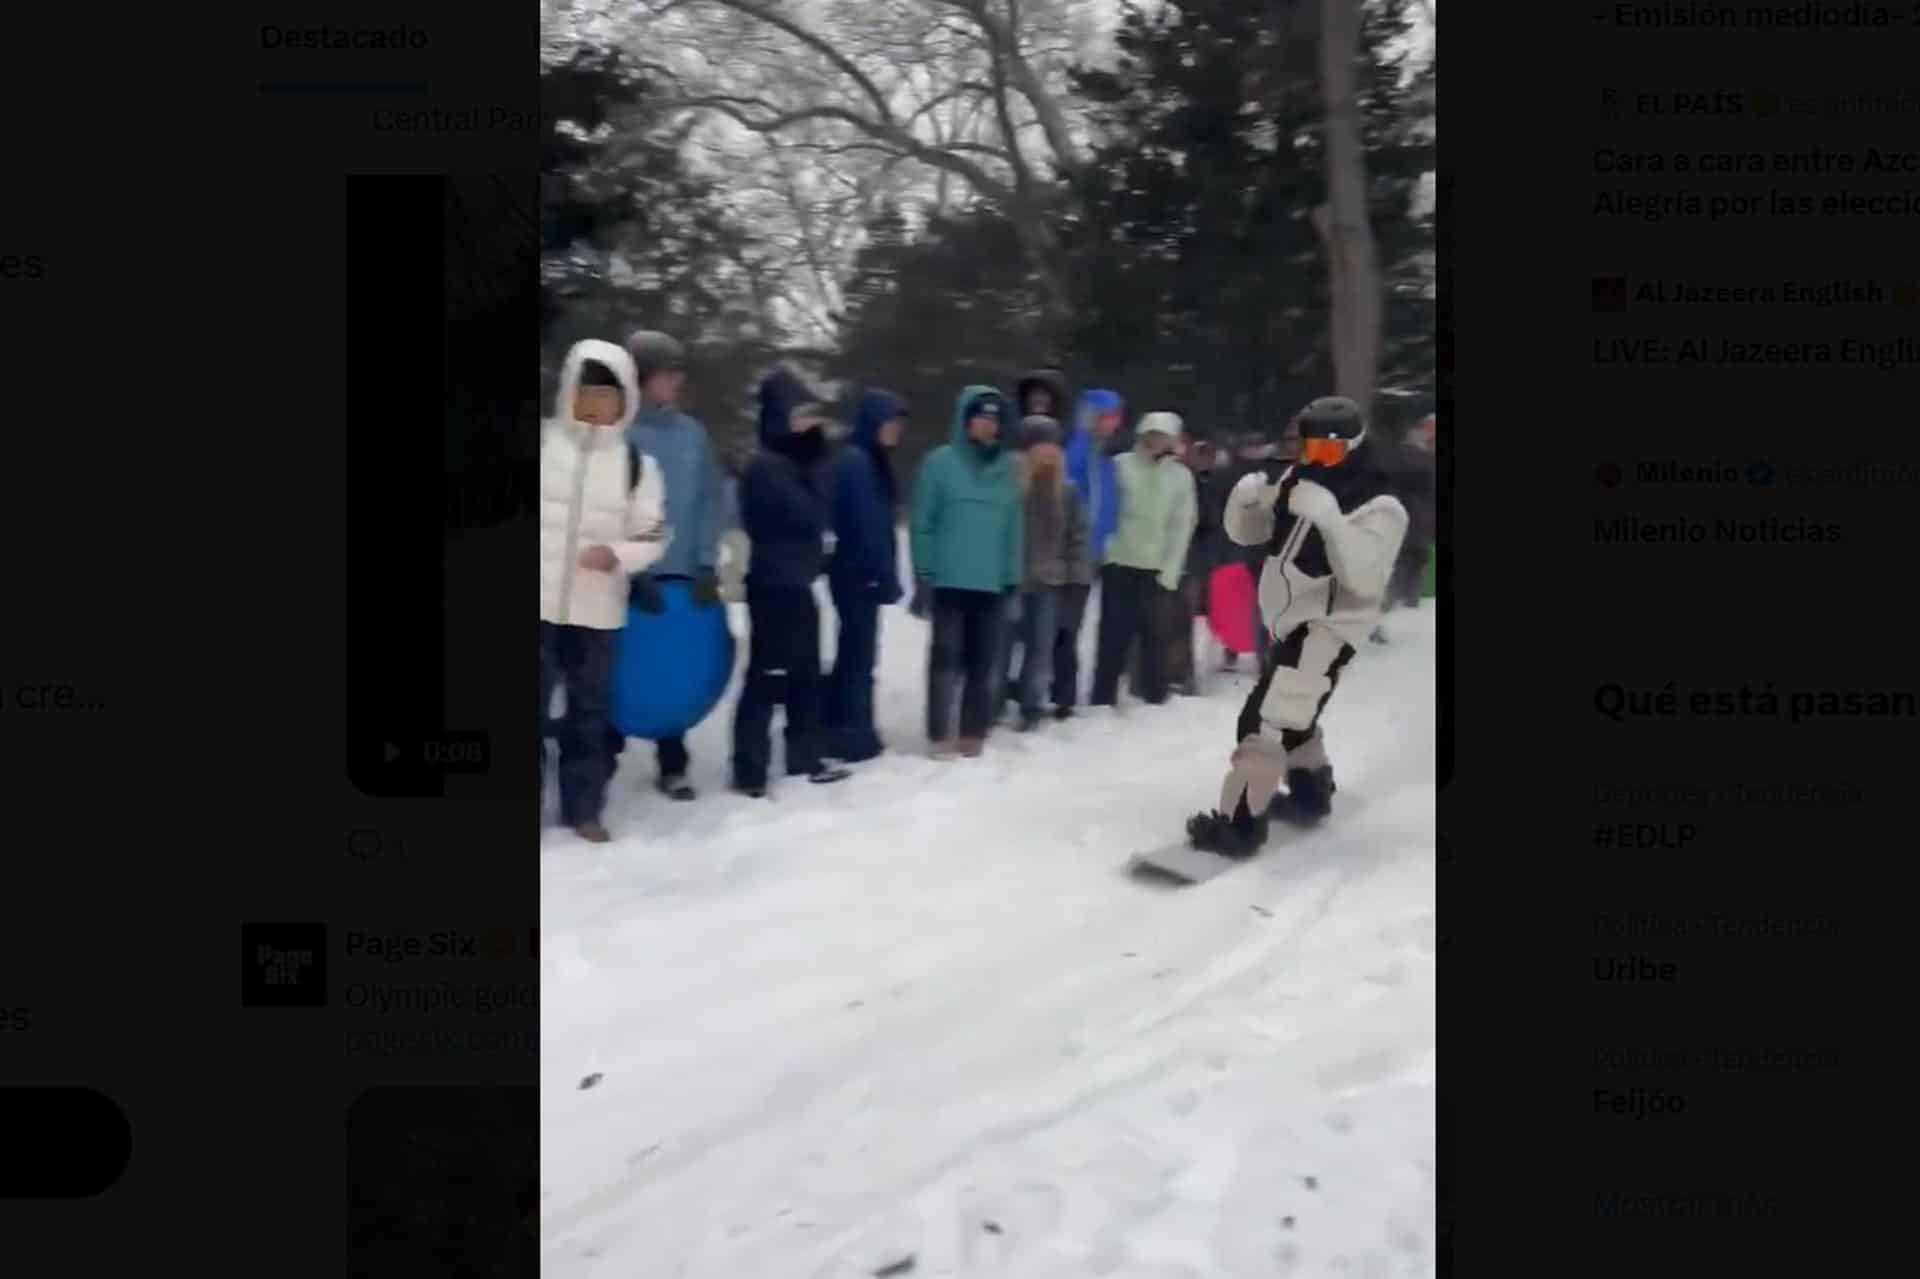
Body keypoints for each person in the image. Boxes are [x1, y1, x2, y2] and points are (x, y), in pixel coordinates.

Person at [1186, 396, 1409, 857]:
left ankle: (1241, 824)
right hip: (1290, 617)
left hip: (1331, 624)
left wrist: (1330, 519)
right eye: (1310, 449)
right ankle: (1311, 792)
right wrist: (1246, 505)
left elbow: (1365, 580)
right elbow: (1253, 533)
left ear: (1353, 446)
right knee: (1295, 711)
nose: (1317, 461)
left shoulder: (1382, 504)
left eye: (1328, 452)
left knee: (1266, 720)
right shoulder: (1300, 476)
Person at [540, 340, 671, 842]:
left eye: (608, 396)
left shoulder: (636, 465)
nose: (597, 404)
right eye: (588, 392)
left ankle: (584, 808)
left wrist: (617, 554)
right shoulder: (545, 445)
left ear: (626, 401)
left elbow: (654, 534)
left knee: (589, 713)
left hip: (597, 608)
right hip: (540, 603)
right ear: (570, 391)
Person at [614, 329, 727, 801]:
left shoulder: (691, 435)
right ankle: (597, 757)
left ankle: (673, 764)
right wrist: (633, 571)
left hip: (682, 574)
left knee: (672, 664)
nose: (677, 382)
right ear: (639, 379)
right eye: (668, 374)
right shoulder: (615, 434)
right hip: (623, 578)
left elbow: (709, 500)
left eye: (679, 374)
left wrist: (704, 563)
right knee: (619, 668)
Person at [731, 369, 853, 797]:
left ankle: (805, 757)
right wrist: (817, 465)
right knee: (767, 677)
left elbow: (820, 512)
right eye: (799, 417)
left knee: (805, 674)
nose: (809, 425)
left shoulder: (800, 463)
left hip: (797, 583)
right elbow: (807, 513)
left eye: (811, 416)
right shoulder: (767, 467)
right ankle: (750, 772)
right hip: (772, 586)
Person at [908, 386, 1022, 758]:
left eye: (994, 419)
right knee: (946, 658)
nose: (988, 425)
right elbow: (923, 523)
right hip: (949, 580)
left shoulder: (1007, 469)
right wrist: (924, 573)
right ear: (964, 419)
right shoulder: (939, 463)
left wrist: (1011, 580)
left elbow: (1013, 529)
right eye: (981, 417)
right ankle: (940, 732)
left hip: (990, 583)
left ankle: (972, 731)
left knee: (983, 661)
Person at [1090, 412, 1197, 709]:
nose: (1155, 441)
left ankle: (1154, 698)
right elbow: (1106, 511)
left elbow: (1181, 524)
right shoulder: (1120, 465)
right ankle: (1102, 699)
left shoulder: (1180, 477)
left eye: (1162, 436)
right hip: (1120, 563)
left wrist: (1170, 572)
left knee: (1156, 636)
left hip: (1157, 568)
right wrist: (1106, 553)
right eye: (1151, 435)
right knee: (1113, 635)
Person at [825, 388, 909, 762]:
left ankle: (843, 725)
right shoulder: (857, 463)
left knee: (854, 651)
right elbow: (866, 526)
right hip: (857, 573)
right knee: (859, 655)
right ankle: (855, 735)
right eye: (891, 422)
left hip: (856, 572)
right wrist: (881, 575)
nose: (897, 431)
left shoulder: (867, 461)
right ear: (874, 422)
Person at [1002, 414, 1091, 730]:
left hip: (1050, 581)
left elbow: (1078, 537)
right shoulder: (1008, 483)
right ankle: (992, 704)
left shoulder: (1067, 491)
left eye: (1053, 445)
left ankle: (1031, 707)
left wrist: (1076, 577)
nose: (1048, 452)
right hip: (1011, 580)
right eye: (1041, 444)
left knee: (1040, 651)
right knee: (1002, 647)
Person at [1053, 388, 1126, 718]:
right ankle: (1059, 693)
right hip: (1068, 554)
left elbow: (1110, 505)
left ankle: (1062, 691)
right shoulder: (1075, 453)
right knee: (1062, 625)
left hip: (1092, 554)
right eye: (1108, 417)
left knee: (1072, 623)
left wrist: (1107, 538)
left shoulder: (1104, 458)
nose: (1113, 424)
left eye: (1116, 418)